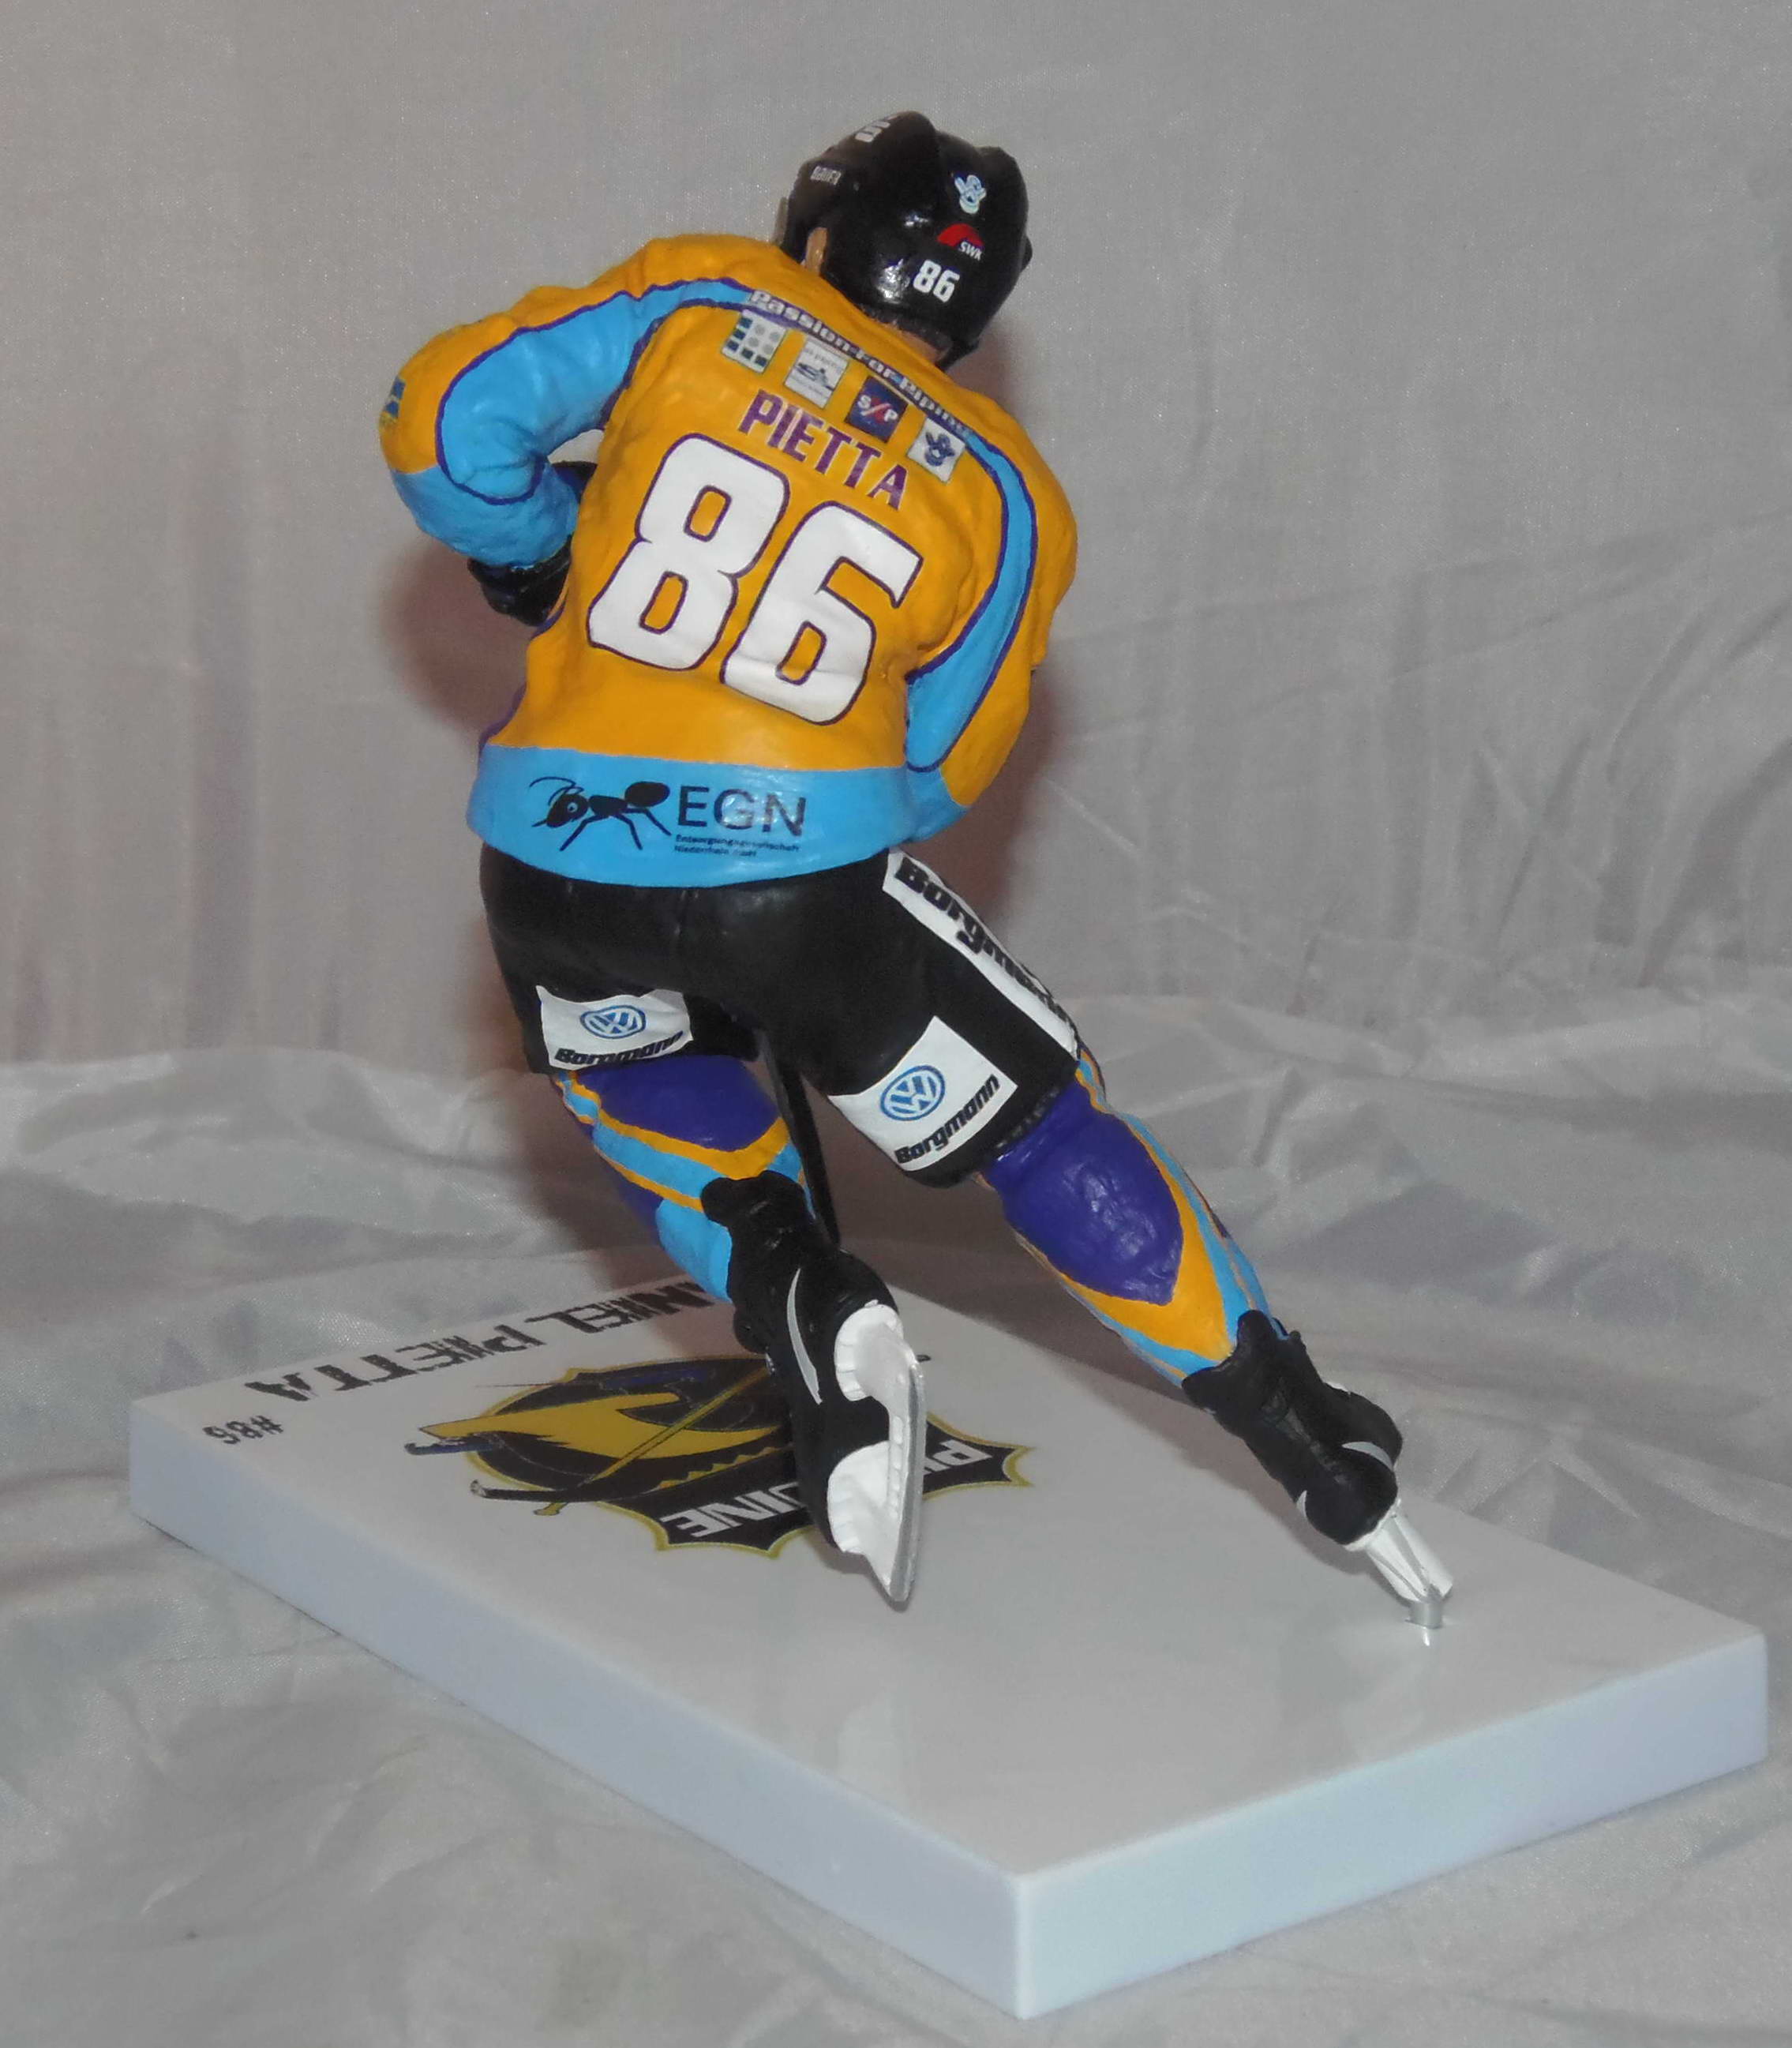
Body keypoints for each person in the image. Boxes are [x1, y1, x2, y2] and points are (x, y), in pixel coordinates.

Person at [381, 113, 1446, 1615]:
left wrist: (541, 554)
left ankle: (799, 1291)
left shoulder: (706, 293)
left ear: (817, 231)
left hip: (550, 858)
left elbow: (439, 419)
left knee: (630, 1072)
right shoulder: (1009, 493)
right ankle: (1298, 1423)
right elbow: (942, 767)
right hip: (792, 882)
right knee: (1039, 1131)